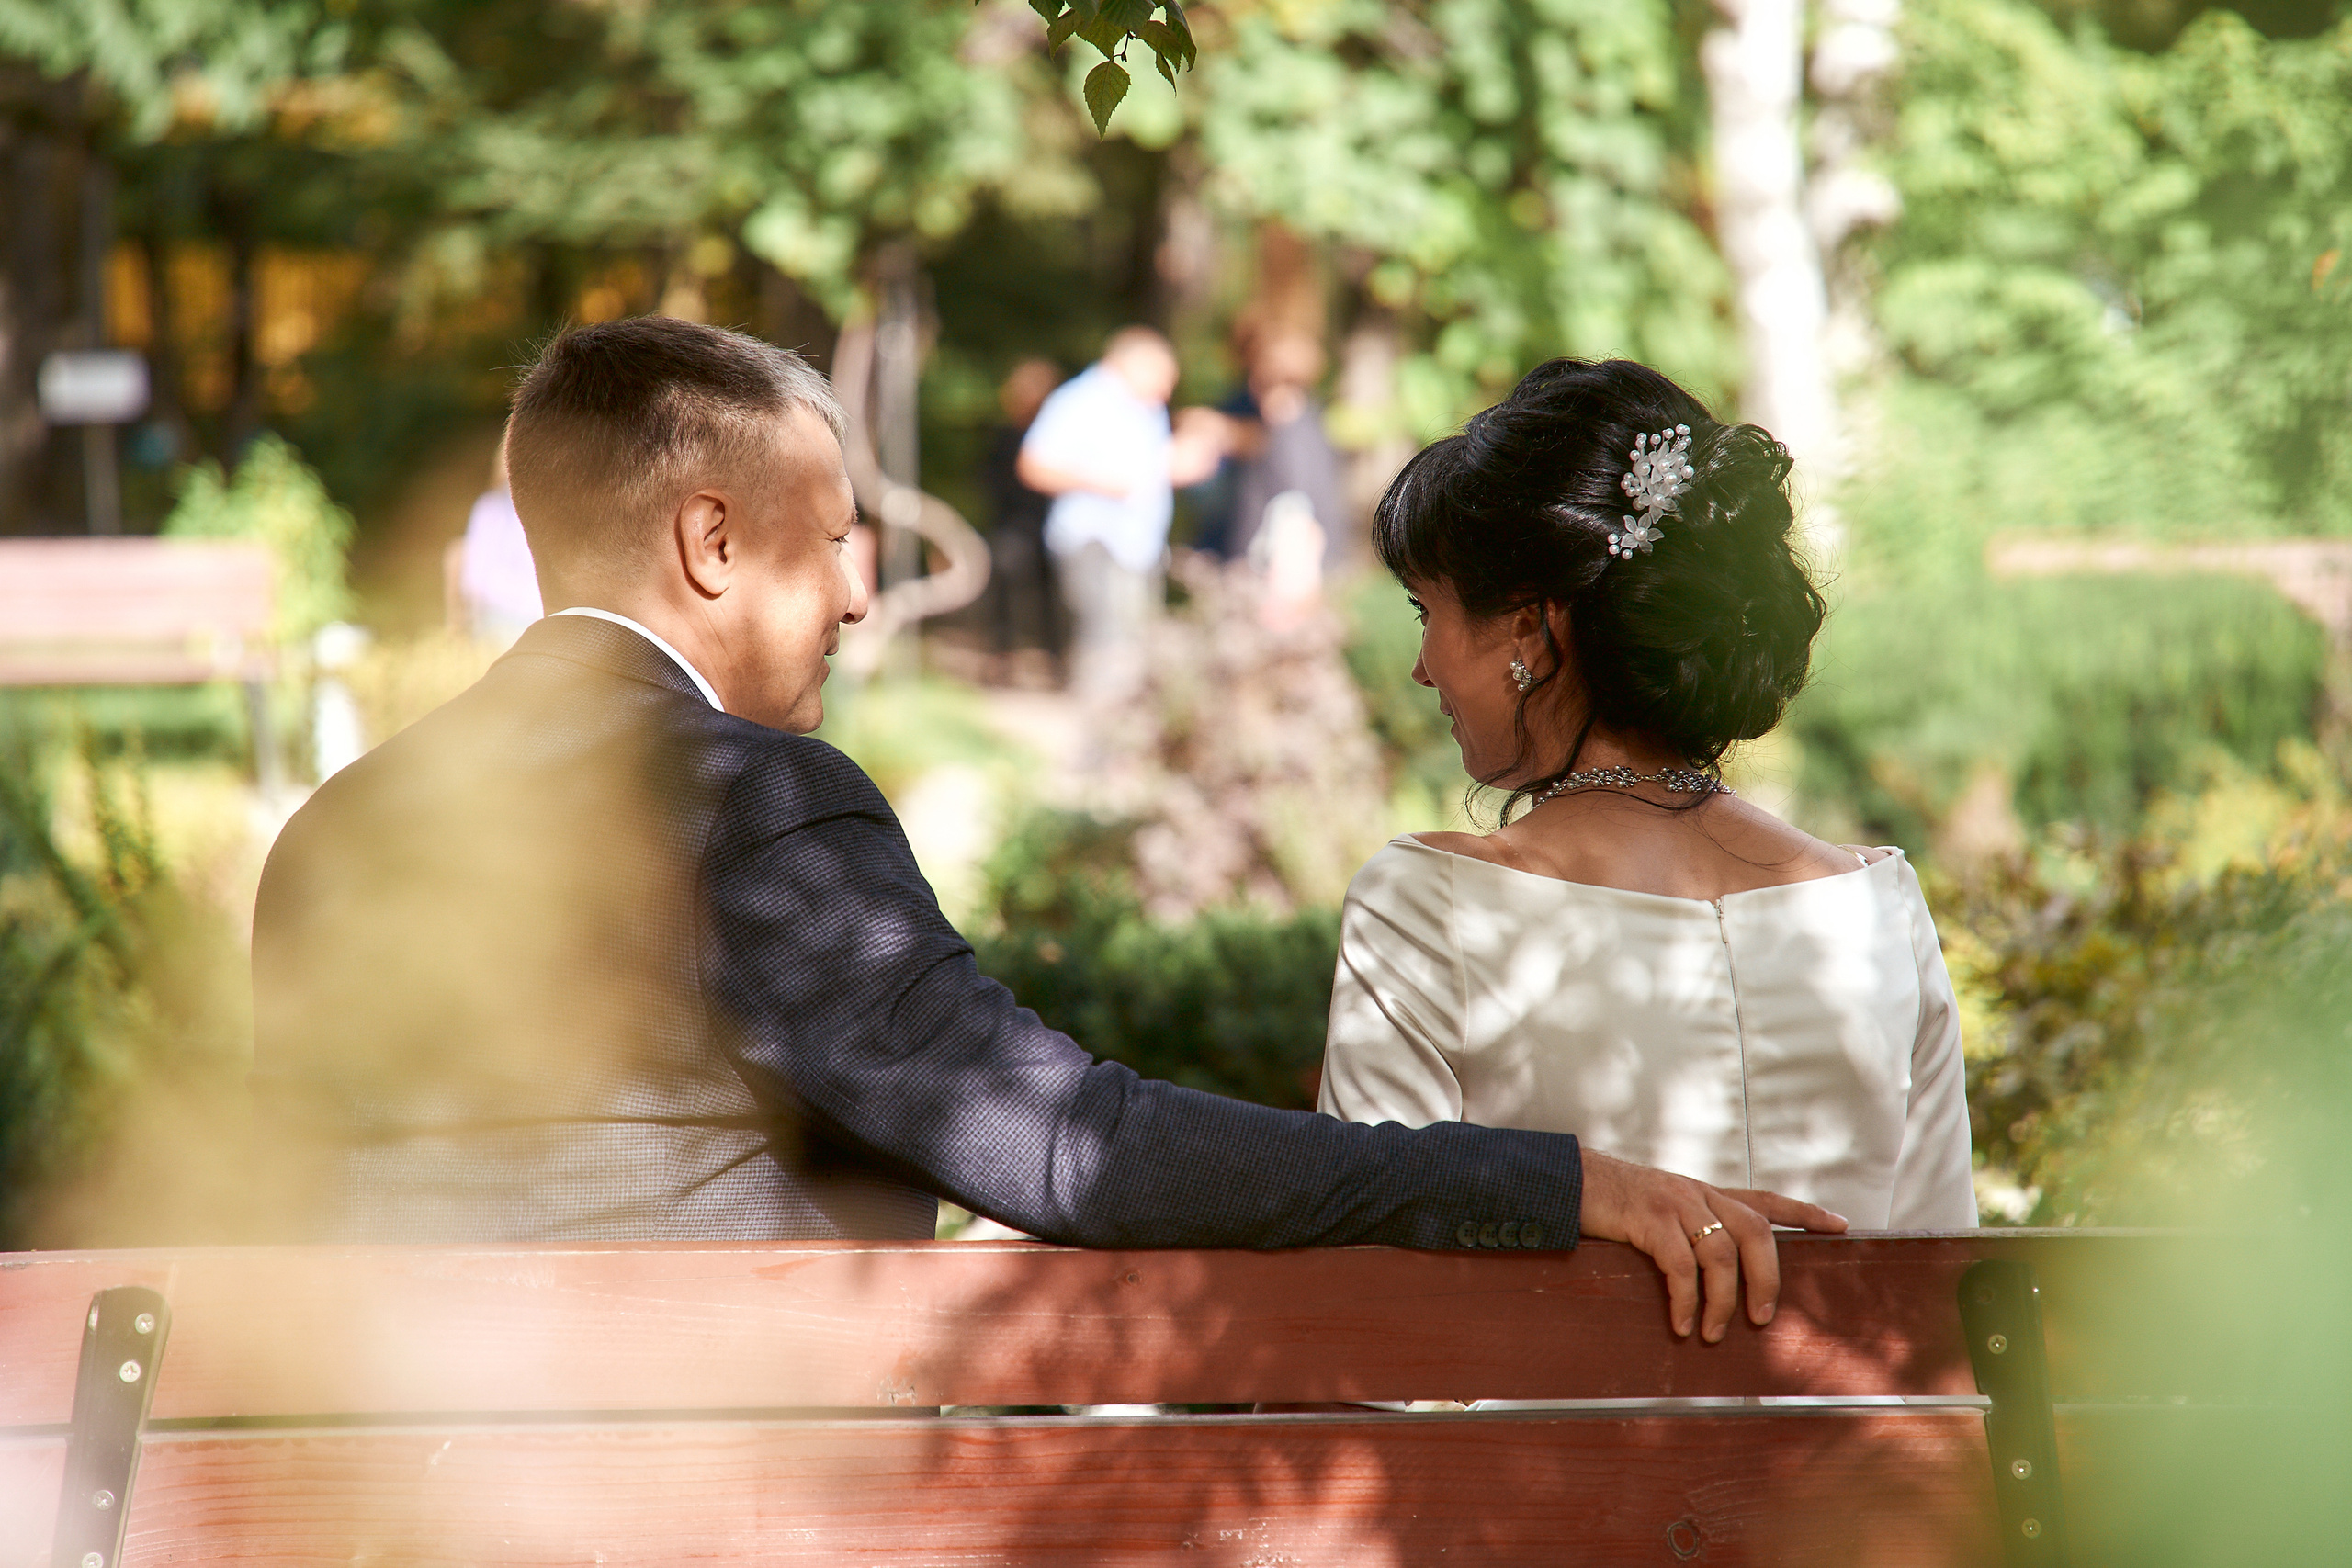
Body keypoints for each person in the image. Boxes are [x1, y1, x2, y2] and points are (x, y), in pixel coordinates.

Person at [250, 318, 1842, 1345]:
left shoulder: (329, 834)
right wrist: (1552, 1180)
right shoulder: (749, 802)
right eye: (835, 541)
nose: (867, 593)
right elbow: (1075, 1147)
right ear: (709, 541)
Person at [1318, 358, 1977, 1233]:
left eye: (1424, 612)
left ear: (1530, 624)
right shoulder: (1878, 904)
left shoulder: (1425, 905)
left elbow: (1378, 1277)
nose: (1420, 665)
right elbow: (1943, 1292)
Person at [1015, 327, 1219, 703]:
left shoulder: (1145, 407)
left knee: (1132, 643)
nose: (1167, 391)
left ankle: (1119, 739)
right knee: (1106, 645)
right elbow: (1033, 464)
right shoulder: (1080, 400)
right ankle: (1098, 742)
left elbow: (1144, 471)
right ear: (1134, 364)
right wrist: (1102, 482)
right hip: (1097, 540)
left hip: (1136, 545)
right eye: (1164, 379)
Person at [979, 358, 1063, 671]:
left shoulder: (1054, 437)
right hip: (1013, 525)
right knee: (1005, 573)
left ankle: (1054, 654)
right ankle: (1004, 651)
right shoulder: (1006, 436)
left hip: (1047, 526)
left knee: (1053, 590)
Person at [452, 435, 544, 648]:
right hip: (500, 615)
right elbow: (476, 577)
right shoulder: (489, 509)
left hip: (535, 616)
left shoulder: (544, 513)